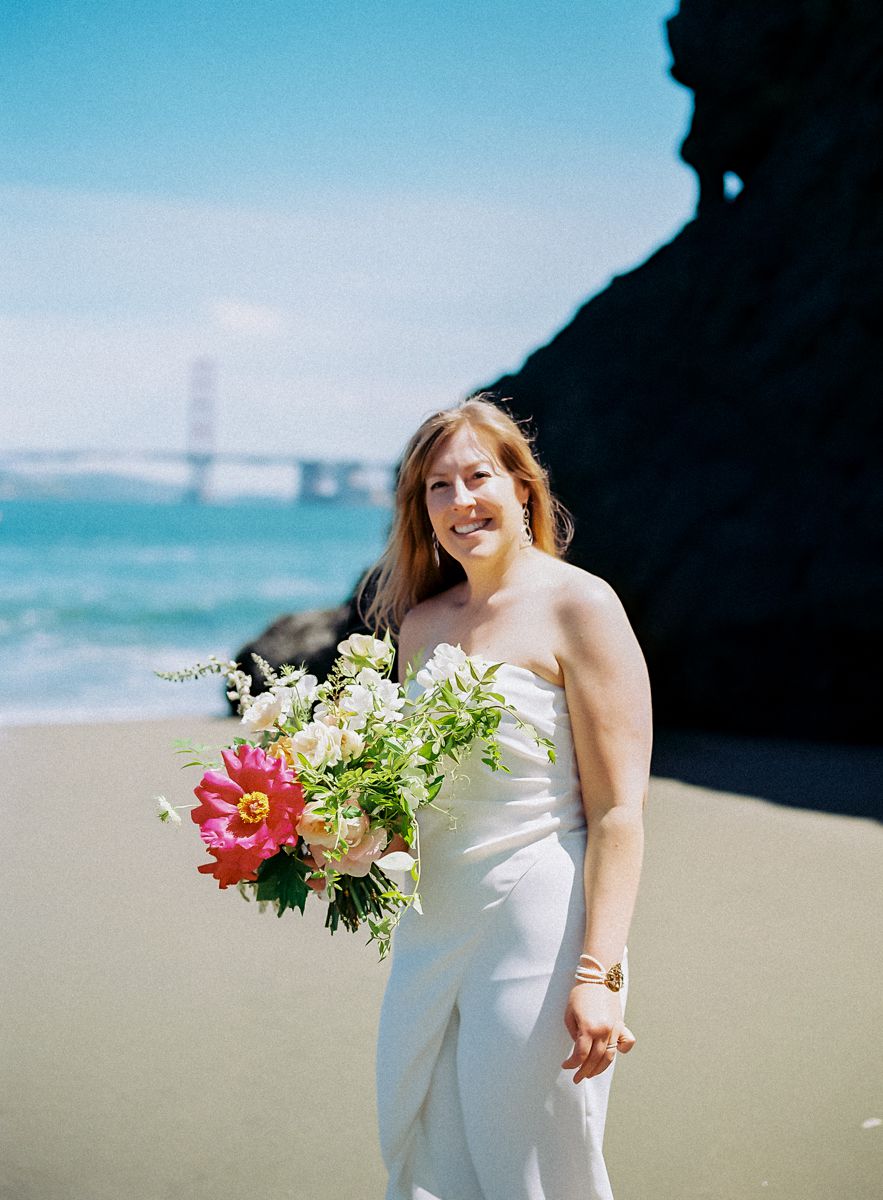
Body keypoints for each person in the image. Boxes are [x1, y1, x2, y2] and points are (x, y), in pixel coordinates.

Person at [361, 394, 652, 1200]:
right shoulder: (418, 626)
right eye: (436, 488)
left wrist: (599, 976)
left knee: (528, 1160)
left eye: (476, 477)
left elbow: (619, 811)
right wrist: (352, 835)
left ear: (522, 486)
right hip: (429, 926)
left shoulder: (579, 605)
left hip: (538, 920)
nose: (460, 502)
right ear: (419, 511)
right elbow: (414, 800)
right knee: (424, 1151)